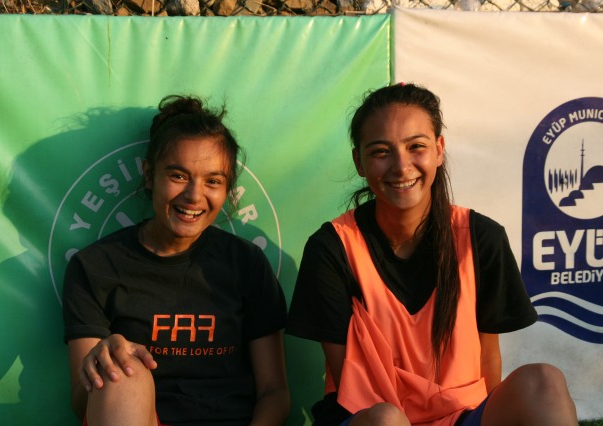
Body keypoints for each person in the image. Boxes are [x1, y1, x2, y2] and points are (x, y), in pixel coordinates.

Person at [286, 83, 578, 426]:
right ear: (358, 161)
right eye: (381, 152)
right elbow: (349, 384)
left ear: (439, 150)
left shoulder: (481, 237)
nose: (401, 166)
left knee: (544, 380)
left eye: (416, 147)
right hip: (370, 415)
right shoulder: (333, 247)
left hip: (461, 416)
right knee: (386, 420)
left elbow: (488, 360)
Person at [63, 95, 290, 426]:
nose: (194, 196)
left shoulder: (247, 263)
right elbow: (81, 405)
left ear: (227, 190)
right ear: (149, 174)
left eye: (213, 181)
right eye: (179, 176)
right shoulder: (94, 266)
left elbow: (274, 393)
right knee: (122, 368)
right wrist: (101, 364)